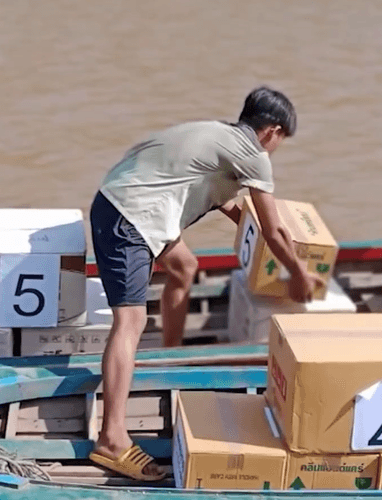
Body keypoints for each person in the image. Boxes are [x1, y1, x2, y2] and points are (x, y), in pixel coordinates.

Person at [87, 86, 323, 481]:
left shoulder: (218, 134)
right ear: (272, 132)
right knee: (130, 322)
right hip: (130, 217)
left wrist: (264, 238)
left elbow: (220, 198)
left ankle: (170, 354)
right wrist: (299, 273)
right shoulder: (254, 155)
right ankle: (112, 438)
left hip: (128, 203)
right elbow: (275, 231)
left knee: (184, 267)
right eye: (281, 141)